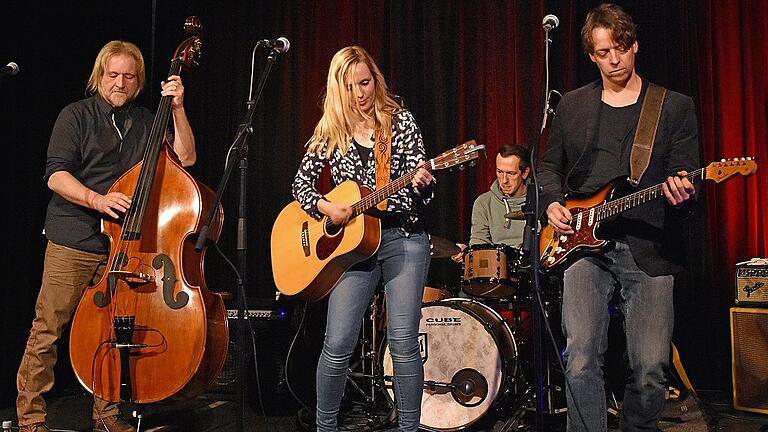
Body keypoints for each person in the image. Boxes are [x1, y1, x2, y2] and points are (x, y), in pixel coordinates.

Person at [16, 40, 196, 432]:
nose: (120, 83)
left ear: (138, 81)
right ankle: (30, 417)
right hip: (74, 239)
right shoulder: (75, 116)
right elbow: (55, 175)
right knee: (48, 328)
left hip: (121, 247)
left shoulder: (149, 120)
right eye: (113, 74)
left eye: (128, 76)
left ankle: (107, 415)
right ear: (100, 76)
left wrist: (178, 110)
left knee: (114, 334)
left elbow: (186, 158)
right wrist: (97, 201)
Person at [538, 4, 699, 431]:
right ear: (592, 55)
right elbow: (548, 167)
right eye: (604, 51)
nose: (615, 59)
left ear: (635, 46)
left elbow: (686, 175)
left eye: (622, 48)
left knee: (650, 370)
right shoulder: (572, 106)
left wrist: (684, 191)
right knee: (581, 358)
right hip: (581, 247)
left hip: (648, 247)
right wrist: (553, 202)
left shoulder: (673, 107)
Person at [292, 45, 433, 432]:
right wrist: (326, 207)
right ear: (338, 89)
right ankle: (326, 427)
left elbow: (420, 193)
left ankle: (409, 428)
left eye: (366, 82)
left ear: (376, 79)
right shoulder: (330, 131)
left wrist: (421, 183)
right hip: (352, 246)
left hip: (403, 235)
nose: (361, 93)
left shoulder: (400, 122)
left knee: (403, 344)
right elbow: (300, 185)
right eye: (351, 86)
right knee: (337, 344)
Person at [453, 144, 531, 263]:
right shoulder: (483, 203)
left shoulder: (540, 201)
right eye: (499, 172)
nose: (504, 180)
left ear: (525, 173)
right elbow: (479, 243)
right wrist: (468, 253)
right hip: (498, 271)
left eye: (511, 173)